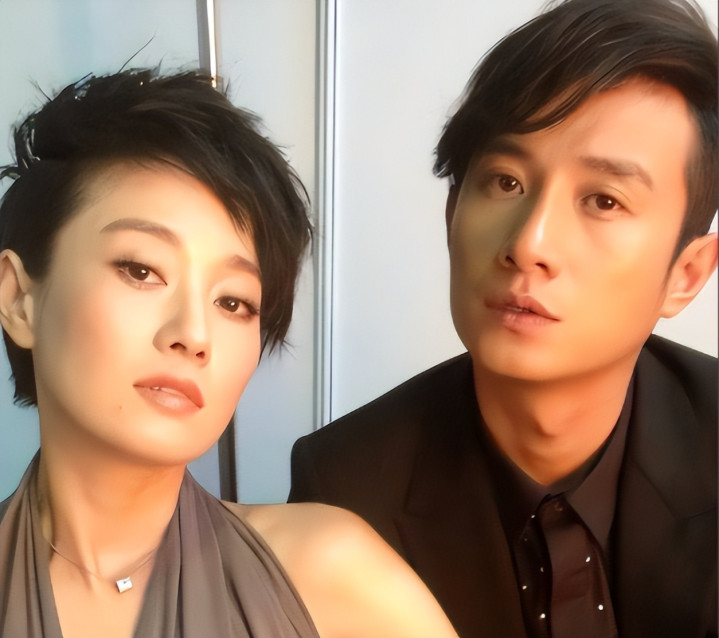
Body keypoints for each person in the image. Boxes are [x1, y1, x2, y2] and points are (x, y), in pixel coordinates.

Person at [288, 0, 718, 636]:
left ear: (686, 274)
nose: (529, 243)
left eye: (604, 200)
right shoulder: (346, 487)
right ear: (451, 214)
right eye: (506, 182)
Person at [0, 69, 459, 638]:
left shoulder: (331, 576)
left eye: (234, 301)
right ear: (19, 299)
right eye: (141, 270)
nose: (193, 334)